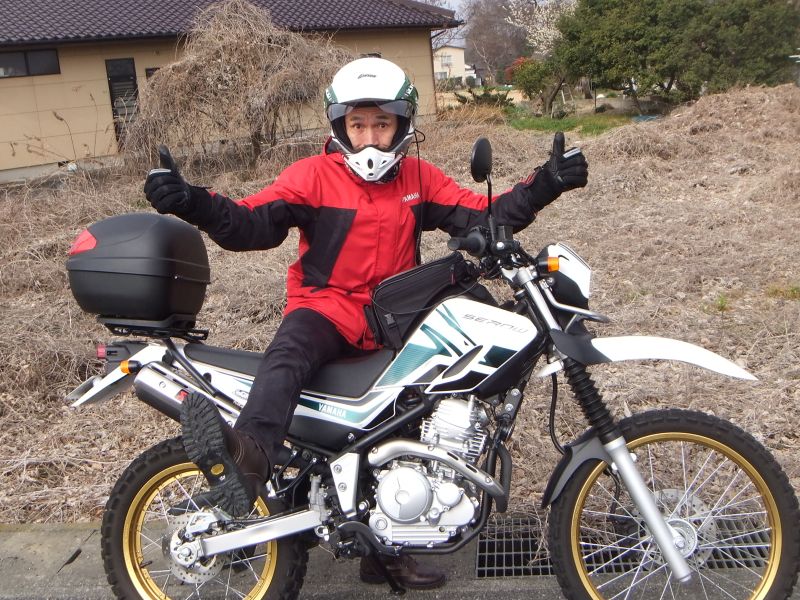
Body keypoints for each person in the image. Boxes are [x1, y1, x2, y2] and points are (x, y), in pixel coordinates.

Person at [143, 56, 588, 589]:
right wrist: (192, 202)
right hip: (324, 308)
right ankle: (248, 461)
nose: (371, 138)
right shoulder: (311, 176)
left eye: (382, 124)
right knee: (288, 356)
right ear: (340, 126)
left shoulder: (418, 177)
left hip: (392, 318)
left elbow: (481, 214)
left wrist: (544, 184)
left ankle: (387, 548)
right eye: (358, 125)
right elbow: (250, 223)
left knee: (408, 419)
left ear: (402, 124)